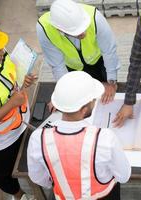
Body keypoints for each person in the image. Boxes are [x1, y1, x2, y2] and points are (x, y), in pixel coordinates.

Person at [27, 71, 131, 200]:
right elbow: (123, 176)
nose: (95, 101)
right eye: (93, 100)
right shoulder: (105, 138)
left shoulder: (38, 138)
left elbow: (38, 177)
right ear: (84, 110)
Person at [0, 23, 37, 200]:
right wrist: (10, 104)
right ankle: (19, 195)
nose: (3, 53)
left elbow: (10, 75)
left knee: (27, 160)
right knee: (3, 174)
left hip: (21, 122)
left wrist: (24, 79)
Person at [37, 0, 120, 104]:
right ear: (60, 29)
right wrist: (62, 94)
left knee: (103, 94)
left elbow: (109, 51)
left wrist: (111, 83)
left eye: (83, 27)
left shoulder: (95, 17)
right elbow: (57, 66)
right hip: (73, 67)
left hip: (98, 61)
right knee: (80, 95)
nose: (83, 33)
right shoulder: (44, 29)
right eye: (77, 32)